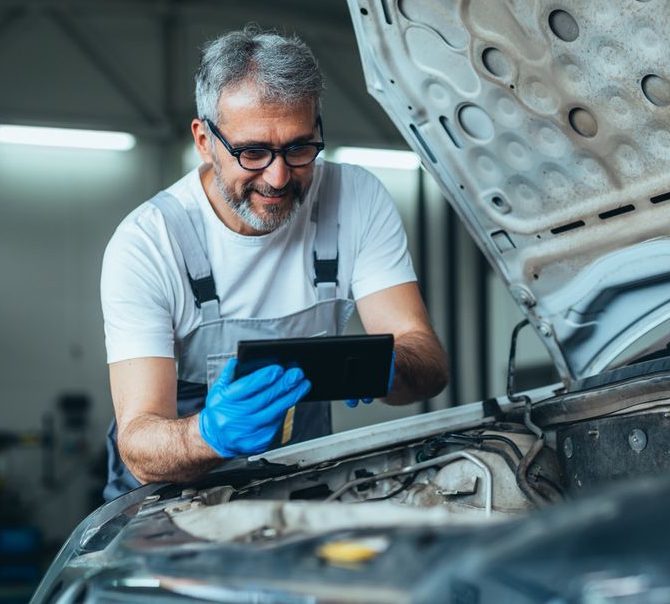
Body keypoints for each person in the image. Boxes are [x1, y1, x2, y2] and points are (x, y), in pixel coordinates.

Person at [99, 25, 448, 501]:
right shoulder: (149, 244)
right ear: (204, 141)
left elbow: (428, 363)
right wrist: (209, 434)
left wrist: (387, 366)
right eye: (253, 152)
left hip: (296, 479)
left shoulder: (355, 200)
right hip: (166, 502)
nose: (278, 177)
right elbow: (139, 445)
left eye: (298, 148)